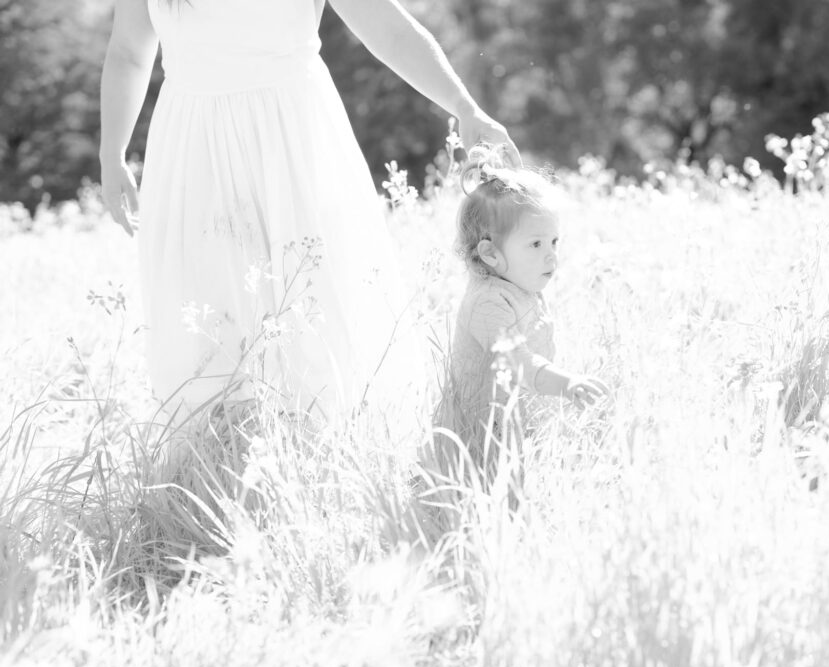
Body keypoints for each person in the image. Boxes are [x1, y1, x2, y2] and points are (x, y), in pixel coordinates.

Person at [99, 0, 520, 423]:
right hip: (194, 145)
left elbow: (387, 28)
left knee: (315, 300)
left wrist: (464, 106)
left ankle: (326, 448)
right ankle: (212, 463)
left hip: (293, 136)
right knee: (206, 312)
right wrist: (110, 153)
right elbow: (129, 52)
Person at [432, 146, 609, 492]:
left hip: (508, 426)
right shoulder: (488, 302)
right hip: (477, 435)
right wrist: (566, 384)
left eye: (554, 242)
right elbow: (517, 363)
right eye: (535, 244)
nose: (551, 256)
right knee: (484, 500)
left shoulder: (519, 286)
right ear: (490, 253)